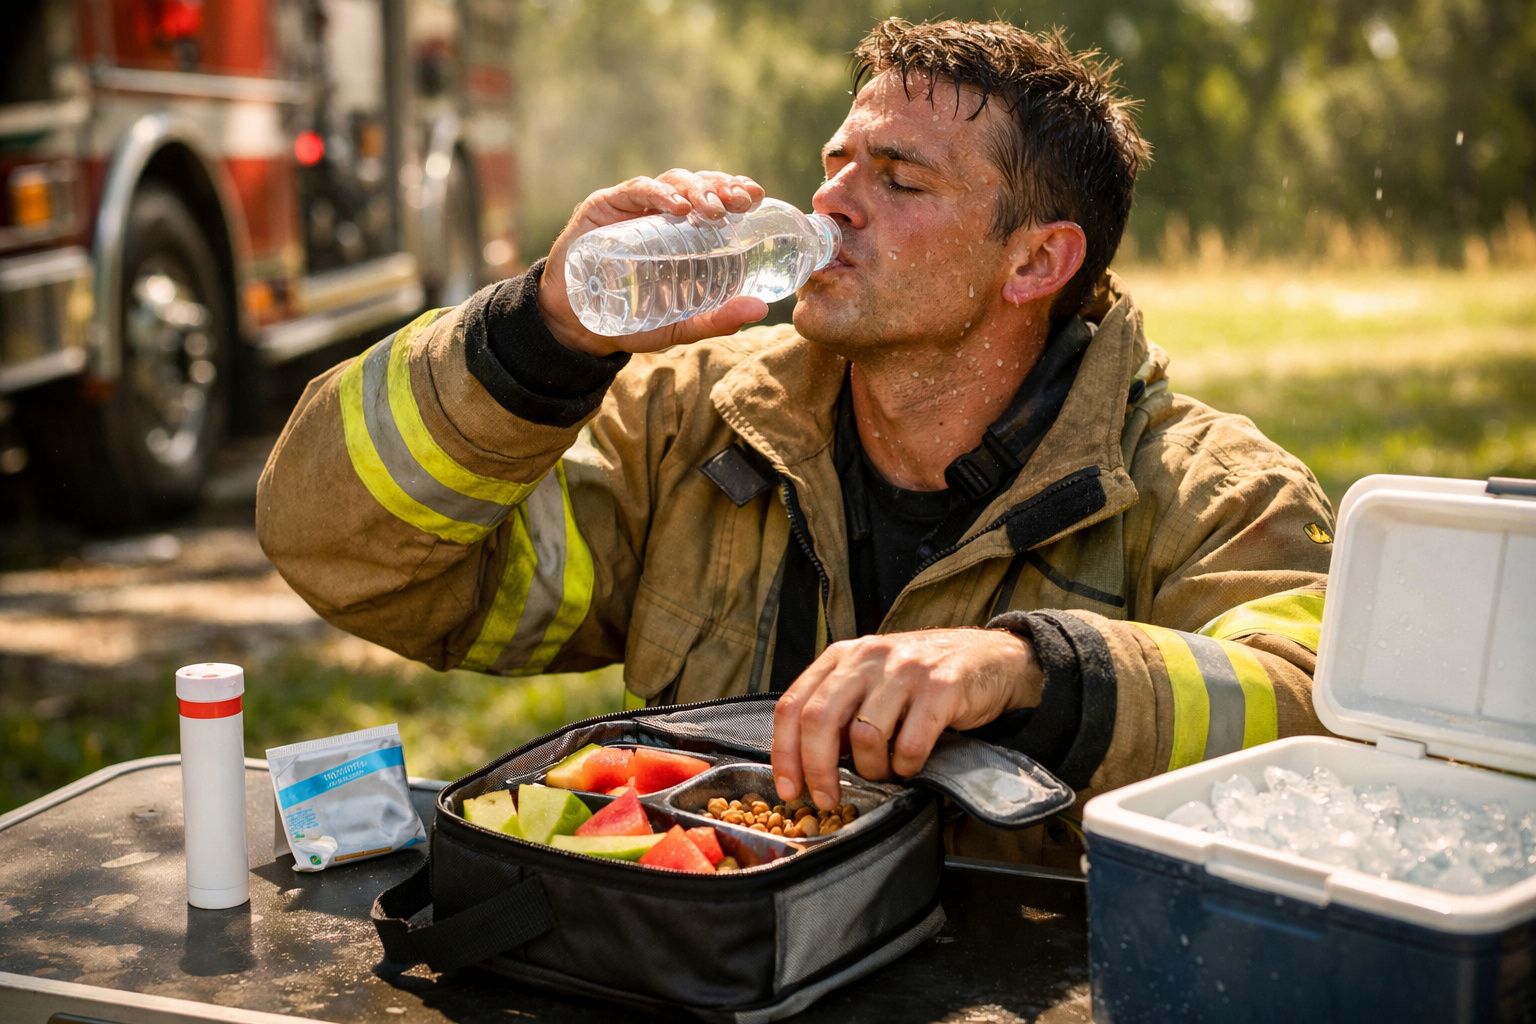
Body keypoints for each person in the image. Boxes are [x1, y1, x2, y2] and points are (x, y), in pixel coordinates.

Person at [257, 17, 1334, 864]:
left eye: (899, 180)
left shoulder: (1214, 491)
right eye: (836, 162)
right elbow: (338, 548)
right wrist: (538, 336)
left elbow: (1321, 729)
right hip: (720, 975)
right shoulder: (691, 424)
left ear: (1035, 262)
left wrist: (1033, 669)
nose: (830, 201)